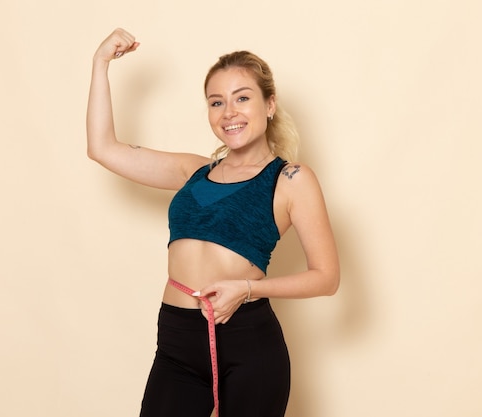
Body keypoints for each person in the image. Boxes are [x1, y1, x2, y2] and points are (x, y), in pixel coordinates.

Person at [86, 28, 340, 417]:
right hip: (176, 339)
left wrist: (248, 289)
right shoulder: (193, 171)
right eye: (216, 102)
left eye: (243, 98)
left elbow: (327, 277)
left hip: (248, 343)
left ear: (269, 105)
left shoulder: (290, 179)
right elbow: (103, 148)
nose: (229, 112)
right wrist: (100, 63)